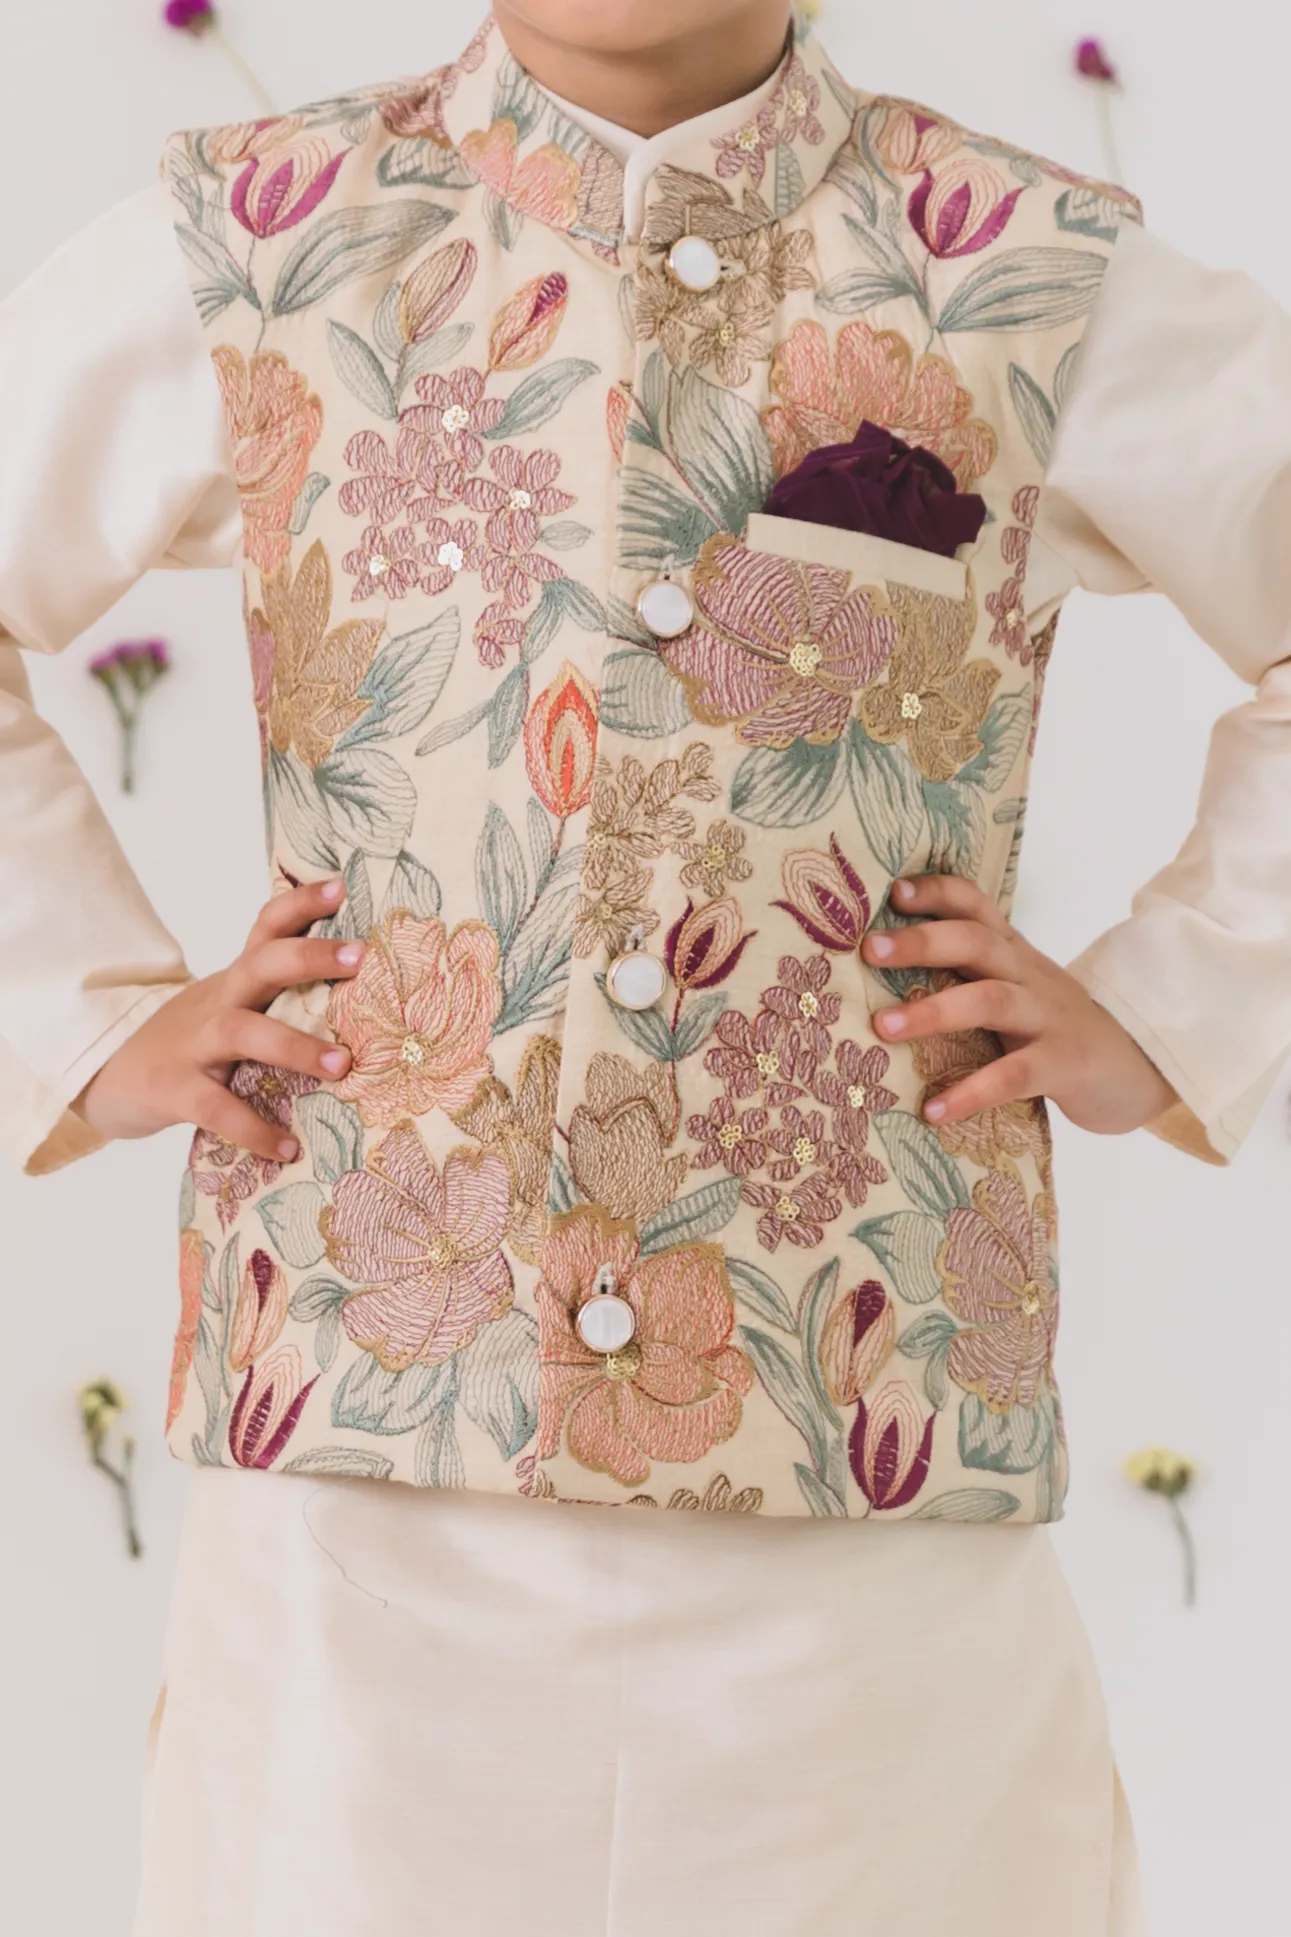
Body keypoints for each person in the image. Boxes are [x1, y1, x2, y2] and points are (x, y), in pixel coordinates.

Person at [3, 2, 1290, 1932]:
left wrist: (1175, 1005)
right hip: (358, 1495)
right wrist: (86, 1016)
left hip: (872, 1503)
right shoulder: (263, 234)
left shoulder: (1024, 262)